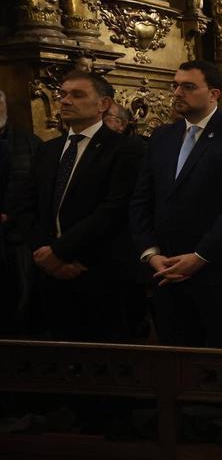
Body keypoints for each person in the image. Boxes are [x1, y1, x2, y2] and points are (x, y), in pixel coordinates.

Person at [130, 60, 222, 348]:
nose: (178, 92)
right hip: (166, 270)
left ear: (214, 94)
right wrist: (151, 253)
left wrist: (200, 256)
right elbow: (142, 199)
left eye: (188, 87)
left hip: (220, 272)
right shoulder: (163, 136)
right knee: (175, 362)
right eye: (175, 85)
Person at [20, 71, 145, 340]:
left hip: (98, 271)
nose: (65, 101)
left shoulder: (125, 149)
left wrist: (61, 251)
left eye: (77, 95)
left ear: (103, 104)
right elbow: (27, 207)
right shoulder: (48, 150)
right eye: (62, 94)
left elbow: (114, 209)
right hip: (48, 274)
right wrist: (46, 254)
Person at [0, 88, 43, 336]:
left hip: (18, 239)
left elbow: (37, 189)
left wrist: (10, 215)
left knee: (21, 306)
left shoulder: (29, 143)